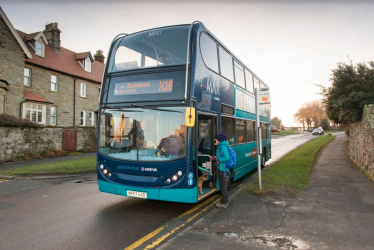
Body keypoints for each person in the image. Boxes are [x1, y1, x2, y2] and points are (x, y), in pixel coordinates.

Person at [214, 133, 230, 208]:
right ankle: (224, 201)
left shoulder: (222, 146)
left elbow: (227, 157)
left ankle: (224, 202)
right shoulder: (221, 146)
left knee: (223, 186)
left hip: (223, 169)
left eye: (216, 139)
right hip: (221, 168)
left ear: (219, 140)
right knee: (223, 185)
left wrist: (218, 159)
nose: (214, 140)